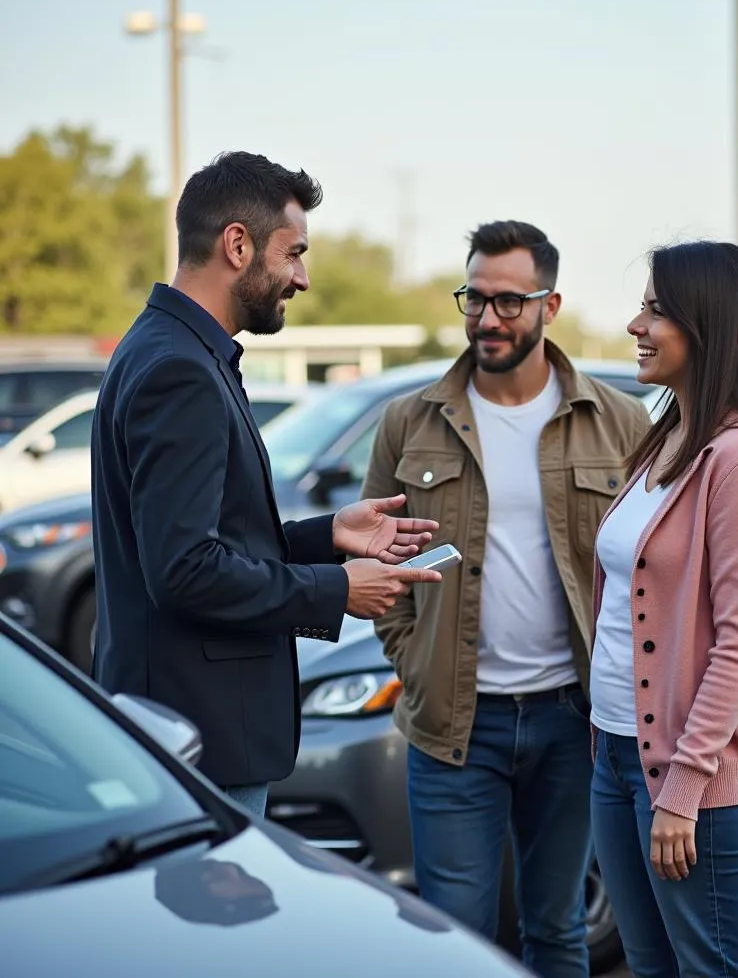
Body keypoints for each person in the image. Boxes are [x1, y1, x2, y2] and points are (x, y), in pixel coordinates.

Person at [91, 152, 443, 818]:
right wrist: (339, 589)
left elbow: (200, 538)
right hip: (199, 740)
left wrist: (327, 537)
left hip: (187, 730)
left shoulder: (171, 347)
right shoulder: (180, 369)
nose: (302, 278)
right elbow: (185, 570)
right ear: (236, 244)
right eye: (294, 253)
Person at [361, 220, 650, 977]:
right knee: (456, 936)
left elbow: (649, 575)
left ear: (550, 306)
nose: (487, 319)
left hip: (571, 719)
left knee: (557, 931)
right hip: (455, 725)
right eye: (475, 298)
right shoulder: (409, 422)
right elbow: (377, 558)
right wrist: (415, 659)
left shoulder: (619, 422)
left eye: (508, 303)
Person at [589, 240, 738, 977]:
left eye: (655, 309)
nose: (635, 326)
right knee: (650, 967)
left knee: (710, 970)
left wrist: (682, 791)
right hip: (615, 756)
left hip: (691, 778)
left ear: (709, 326)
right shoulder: (668, 439)